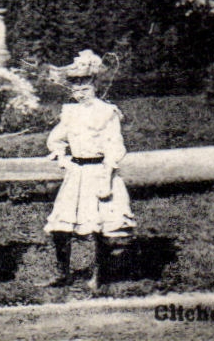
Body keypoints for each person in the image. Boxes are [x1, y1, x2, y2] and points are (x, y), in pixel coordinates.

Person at [42, 49, 134, 291]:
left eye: (85, 88)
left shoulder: (106, 112)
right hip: (77, 173)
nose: (80, 93)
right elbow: (56, 139)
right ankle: (64, 273)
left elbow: (115, 145)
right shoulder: (70, 112)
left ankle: (98, 275)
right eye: (76, 88)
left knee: (98, 226)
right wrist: (64, 158)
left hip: (99, 171)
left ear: (95, 86)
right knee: (61, 227)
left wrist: (107, 175)